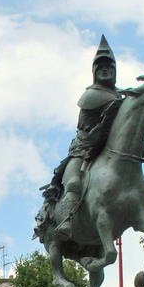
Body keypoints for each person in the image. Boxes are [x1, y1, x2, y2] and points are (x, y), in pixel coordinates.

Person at [38, 35, 124, 240]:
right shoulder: (91, 96)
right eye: (100, 67)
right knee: (74, 182)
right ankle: (66, 219)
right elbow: (88, 128)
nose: (105, 70)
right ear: (94, 72)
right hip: (83, 149)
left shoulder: (122, 96)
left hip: (109, 149)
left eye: (109, 67)